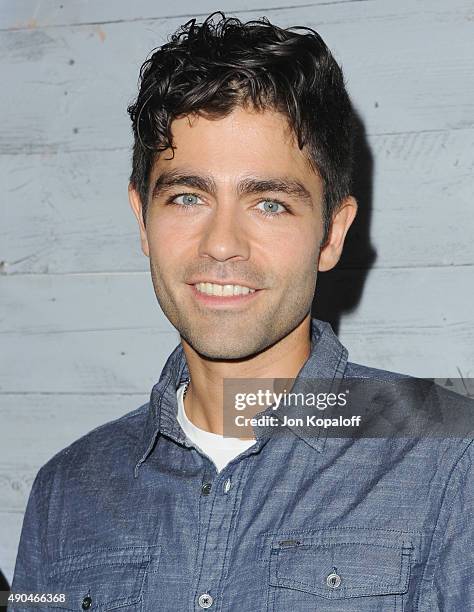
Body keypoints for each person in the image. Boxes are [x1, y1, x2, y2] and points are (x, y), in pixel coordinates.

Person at [9, 11, 474, 611]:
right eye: (186, 196)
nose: (221, 243)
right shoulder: (66, 491)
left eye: (270, 204)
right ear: (142, 220)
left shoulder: (451, 457)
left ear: (332, 234)